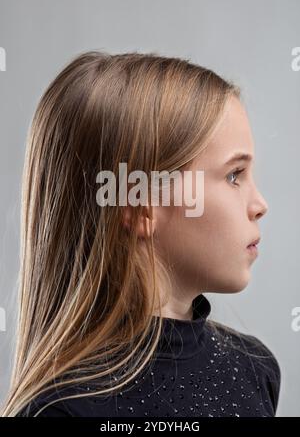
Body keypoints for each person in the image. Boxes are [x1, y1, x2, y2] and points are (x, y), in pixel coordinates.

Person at [1, 51, 281, 417]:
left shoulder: (255, 371)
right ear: (139, 205)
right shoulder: (61, 410)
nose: (260, 204)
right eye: (233, 176)